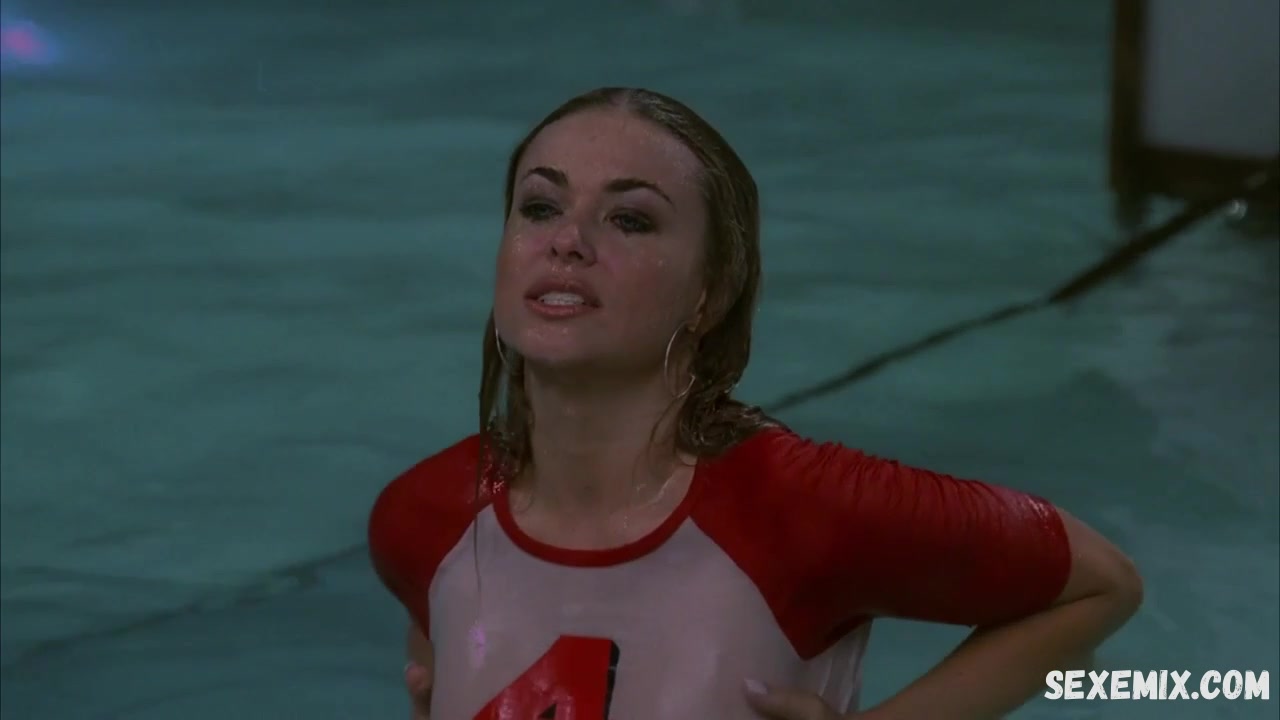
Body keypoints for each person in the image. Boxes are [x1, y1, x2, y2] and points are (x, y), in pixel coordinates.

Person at [368, 87, 1144, 719]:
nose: (566, 241)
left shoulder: (799, 510)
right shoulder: (423, 520)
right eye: (540, 207)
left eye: (630, 218)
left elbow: (1102, 585)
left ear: (709, 293)